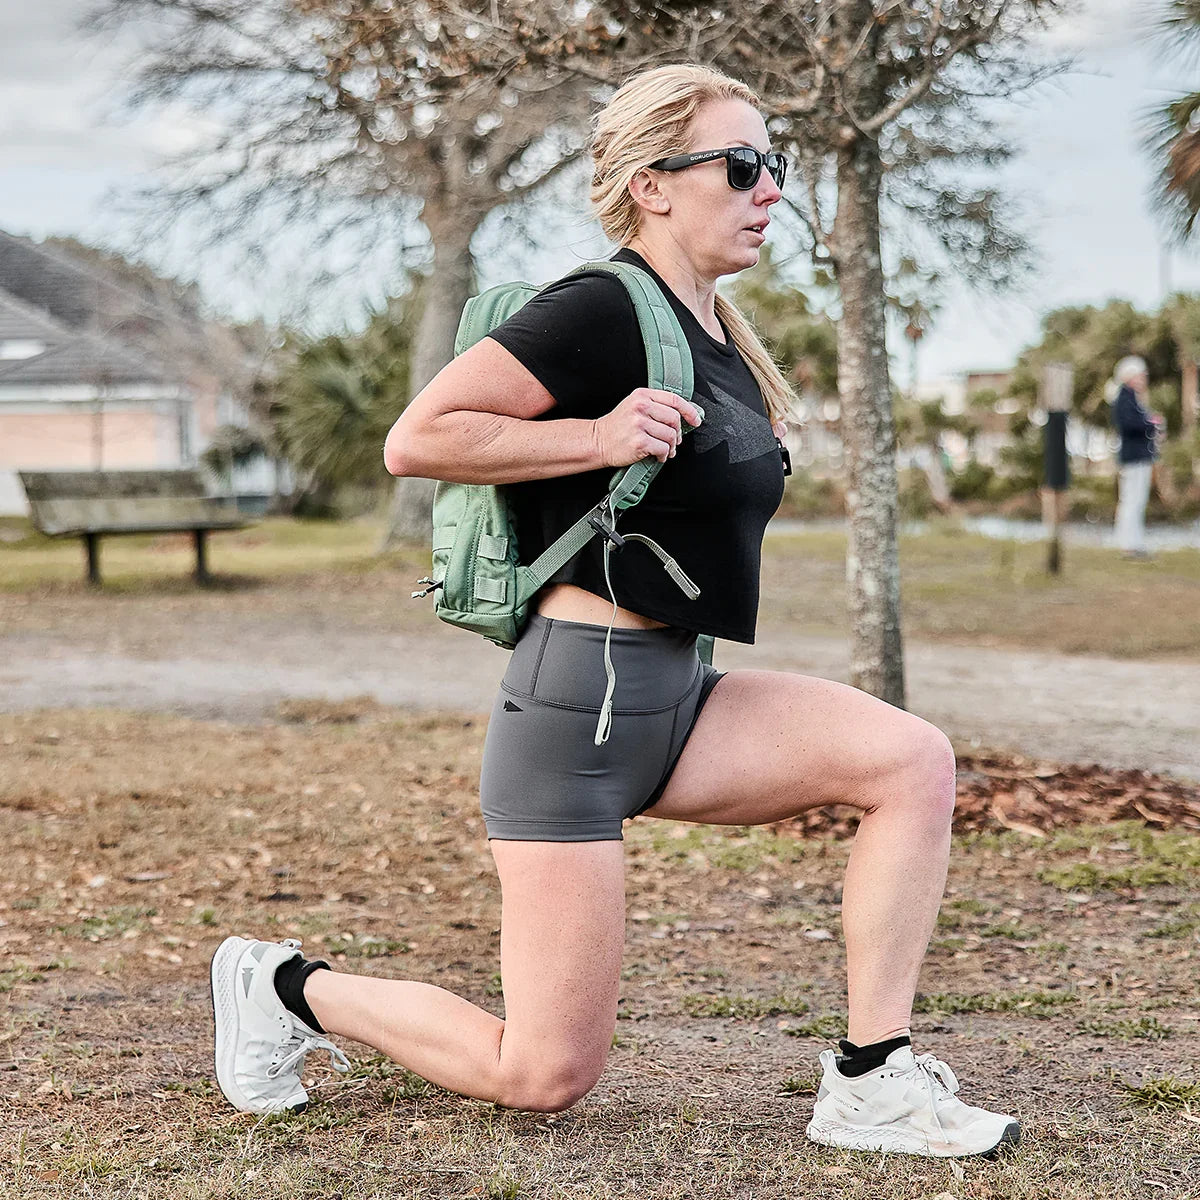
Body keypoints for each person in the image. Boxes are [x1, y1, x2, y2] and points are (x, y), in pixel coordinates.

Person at [208, 64, 1020, 1160]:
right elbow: (420, 438)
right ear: (653, 185)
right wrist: (593, 438)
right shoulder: (598, 308)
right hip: (575, 715)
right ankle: (284, 987)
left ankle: (873, 1081)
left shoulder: (718, 332)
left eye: (774, 165)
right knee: (542, 1074)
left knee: (911, 762)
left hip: (680, 700)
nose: (770, 187)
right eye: (742, 166)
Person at [1110, 355, 1161, 558]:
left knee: (1137, 500)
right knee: (1132, 500)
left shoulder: (1132, 399)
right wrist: (1150, 423)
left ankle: (1134, 542)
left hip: (1139, 456)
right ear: (1130, 377)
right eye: (1141, 376)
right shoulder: (1124, 398)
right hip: (1134, 457)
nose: (1144, 379)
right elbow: (1128, 425)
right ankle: (1129, 544)